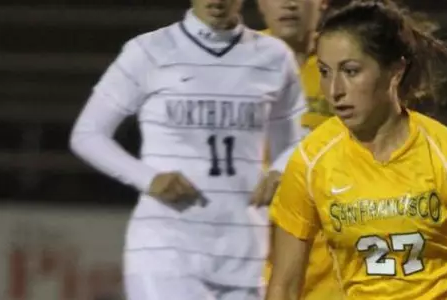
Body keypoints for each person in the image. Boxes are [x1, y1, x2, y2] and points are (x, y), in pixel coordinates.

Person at [266, 1, 447, 299]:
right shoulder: (312, 161)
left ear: (395, 71)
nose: (335, 89)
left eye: (351, 71)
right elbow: (284, 286)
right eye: (325, 72)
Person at [69, 0, 307, 298]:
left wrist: (281, 170)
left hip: (244, 253)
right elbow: (88, 133)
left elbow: (298, 141)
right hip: (164, 252)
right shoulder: (148, 50)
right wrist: (148, 178)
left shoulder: (274, 56)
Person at [255, 0, 341, 299]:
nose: (290, 4)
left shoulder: (348, 60)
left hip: (333, 249)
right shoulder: (235, 60)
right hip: (256, 247)